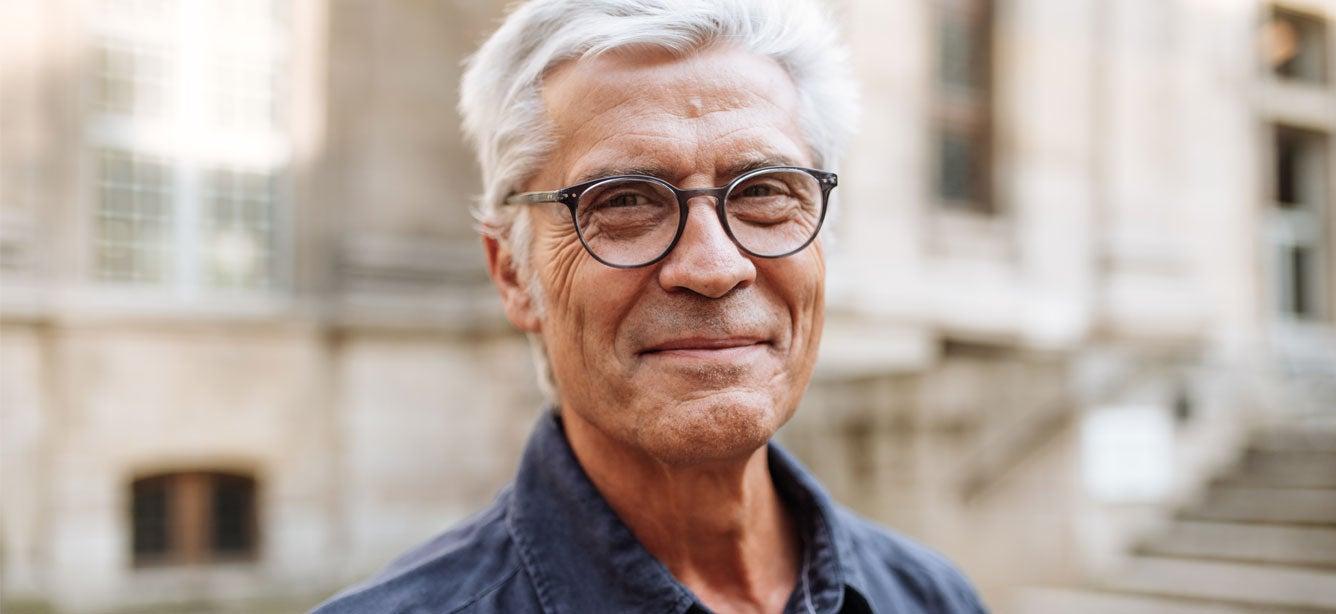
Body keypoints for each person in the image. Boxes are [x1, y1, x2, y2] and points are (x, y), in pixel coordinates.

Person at [314, 1, 987, 612]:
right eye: (626, 201)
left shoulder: (932, 597)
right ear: (513, 273)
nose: (715, 267)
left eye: (764, 192)